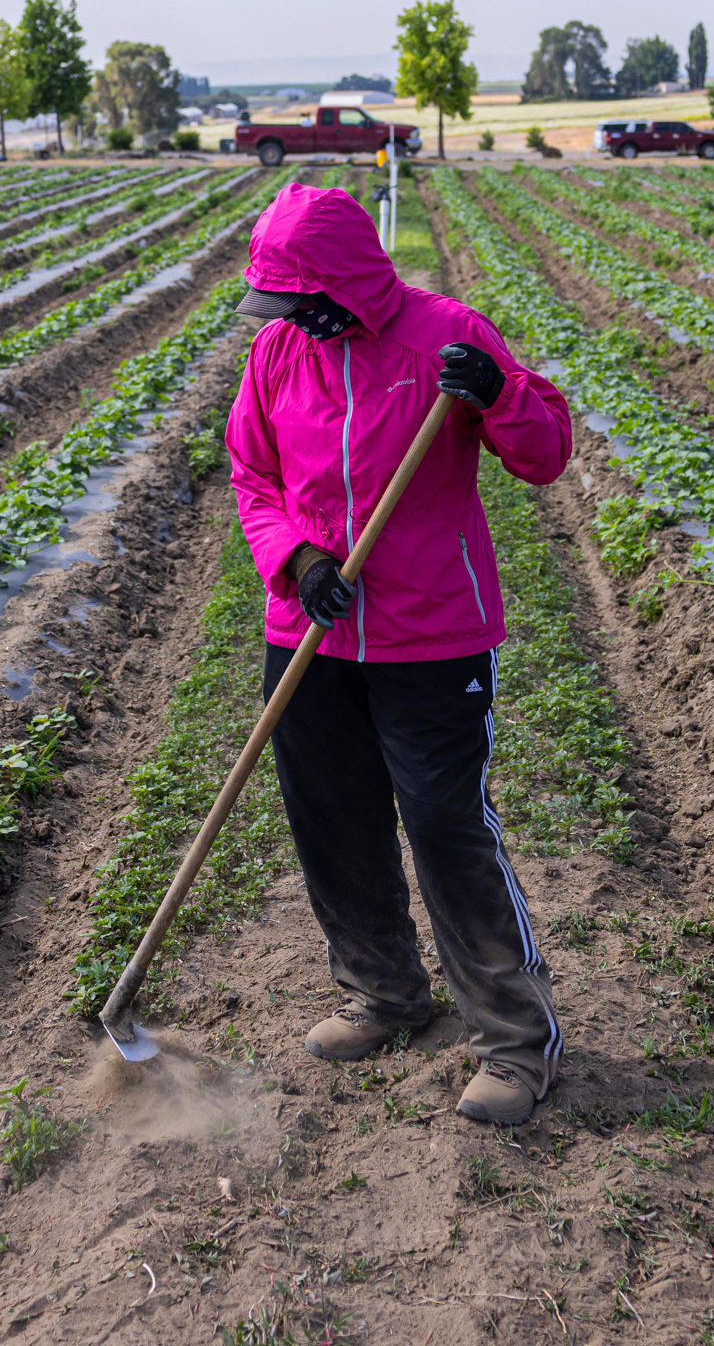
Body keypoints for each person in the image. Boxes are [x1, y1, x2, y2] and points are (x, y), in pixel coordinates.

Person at [225, 182, 575, 1126]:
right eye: (281, 305)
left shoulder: (446, 335)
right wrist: (294, 562)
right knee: (330, 817)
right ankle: (382, 992)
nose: (291, 319)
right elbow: (254, 477)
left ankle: (513, 1040)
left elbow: (544, 454)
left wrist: (498, 394)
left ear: (343, 283)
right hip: (315, 629)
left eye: (301, 301)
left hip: (432, 632)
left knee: (444, 823)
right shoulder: (277, 354)